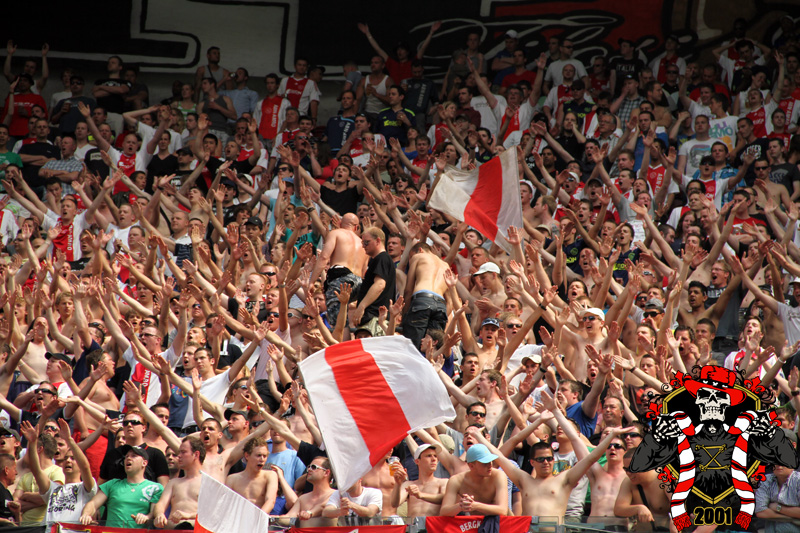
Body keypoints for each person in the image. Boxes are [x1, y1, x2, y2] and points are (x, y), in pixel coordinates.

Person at [20, 419, 96, 527]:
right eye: (65, 458)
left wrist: (69, 440)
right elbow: (36, 470)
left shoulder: (85, 488)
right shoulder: (52, 489)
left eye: (73, 458)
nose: (68, 461)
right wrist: (32, 443)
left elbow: (85, 467)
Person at [80, 446, 164, 528]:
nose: (128, 458)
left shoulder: (155, 488)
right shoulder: (112, 484)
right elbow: (93, 504)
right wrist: (86, 515)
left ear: (144, 463)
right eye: (126, 456)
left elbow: (155, 513)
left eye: (134, 456)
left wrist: (147, 517)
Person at [439, 443, 508, 516]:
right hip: (474, 521)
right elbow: (444, 512)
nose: (490, 465)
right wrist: (461, 505)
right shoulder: (457, 480)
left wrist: (476, 506)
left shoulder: (498, 475)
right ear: (471, 466)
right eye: (485, 463)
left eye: (491, 461)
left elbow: (503, 510)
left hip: (498, 521)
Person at [153, 437, 205, 529]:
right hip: (173, 529)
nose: (179, 456)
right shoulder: (173, 483)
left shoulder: (207, 483)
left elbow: (213, 513)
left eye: (183, 452)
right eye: (179, 452)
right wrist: (159, 514)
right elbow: (160, 504)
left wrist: (189, 515)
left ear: (196, 454)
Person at [352, 227, 396, 328]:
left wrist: (361, 307)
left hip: (374, 319)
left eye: (366, 242)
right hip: (374, 318)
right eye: (362, 243)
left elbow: (380, 284)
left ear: (378, 241)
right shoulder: (379, 259)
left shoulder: (382, 258)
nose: (363, 246)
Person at [225, 437, 278, 513]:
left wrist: (258, 518)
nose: (262, 459)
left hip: (260, 517)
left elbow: (270, 501)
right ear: (247, 455)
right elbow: (226, 503)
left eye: (264, 456)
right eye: (258, 455)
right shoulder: (232, 479)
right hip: (238, 518)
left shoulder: (270, 476)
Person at [280, 456, 335, 526]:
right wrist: (272, 518)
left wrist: (309, 513)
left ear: (326, 472)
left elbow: (323, 506)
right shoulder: (302, 498)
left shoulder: (335, 495)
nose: (309, 469)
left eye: (314, 467)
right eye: (309, 467)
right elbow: (289, 517)